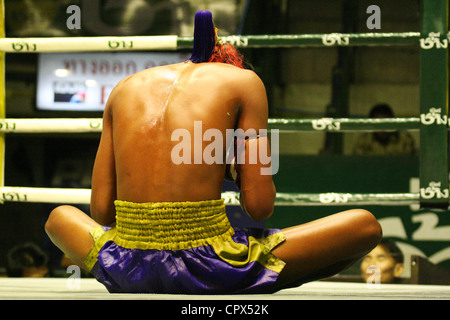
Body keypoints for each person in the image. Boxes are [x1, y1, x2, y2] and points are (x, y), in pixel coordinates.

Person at [45, 11, 382, 294]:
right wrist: (236, 164)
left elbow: (101, 212)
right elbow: (260, 208)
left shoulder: (124, 87)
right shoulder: (244, 81)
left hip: (126, 267)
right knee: (365, 226)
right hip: (209, 268)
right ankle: (253, 284)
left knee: (59, 217)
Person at [352, 104, 416, 155]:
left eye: (386, 124)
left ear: (392, 123)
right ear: (371, 125)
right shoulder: (363, 142)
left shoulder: (404, 140)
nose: (382, 129)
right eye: (378, 125)